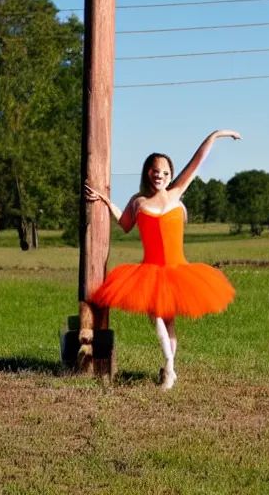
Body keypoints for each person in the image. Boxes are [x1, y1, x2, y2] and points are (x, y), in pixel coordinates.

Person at [85, 130, 240, 390]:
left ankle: (169, 369)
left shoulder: (177, 193)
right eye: (156, 172)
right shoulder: (138, 202)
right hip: (150, 271)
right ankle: (169, 367)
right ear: (148, 173)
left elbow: (197, 161)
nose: (160, 176)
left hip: (178, 270)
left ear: (170, 175)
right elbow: (124, 225)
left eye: (165, 173)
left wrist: (217, 135)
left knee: (169, 321)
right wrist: (106, 201)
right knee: (156, 316)